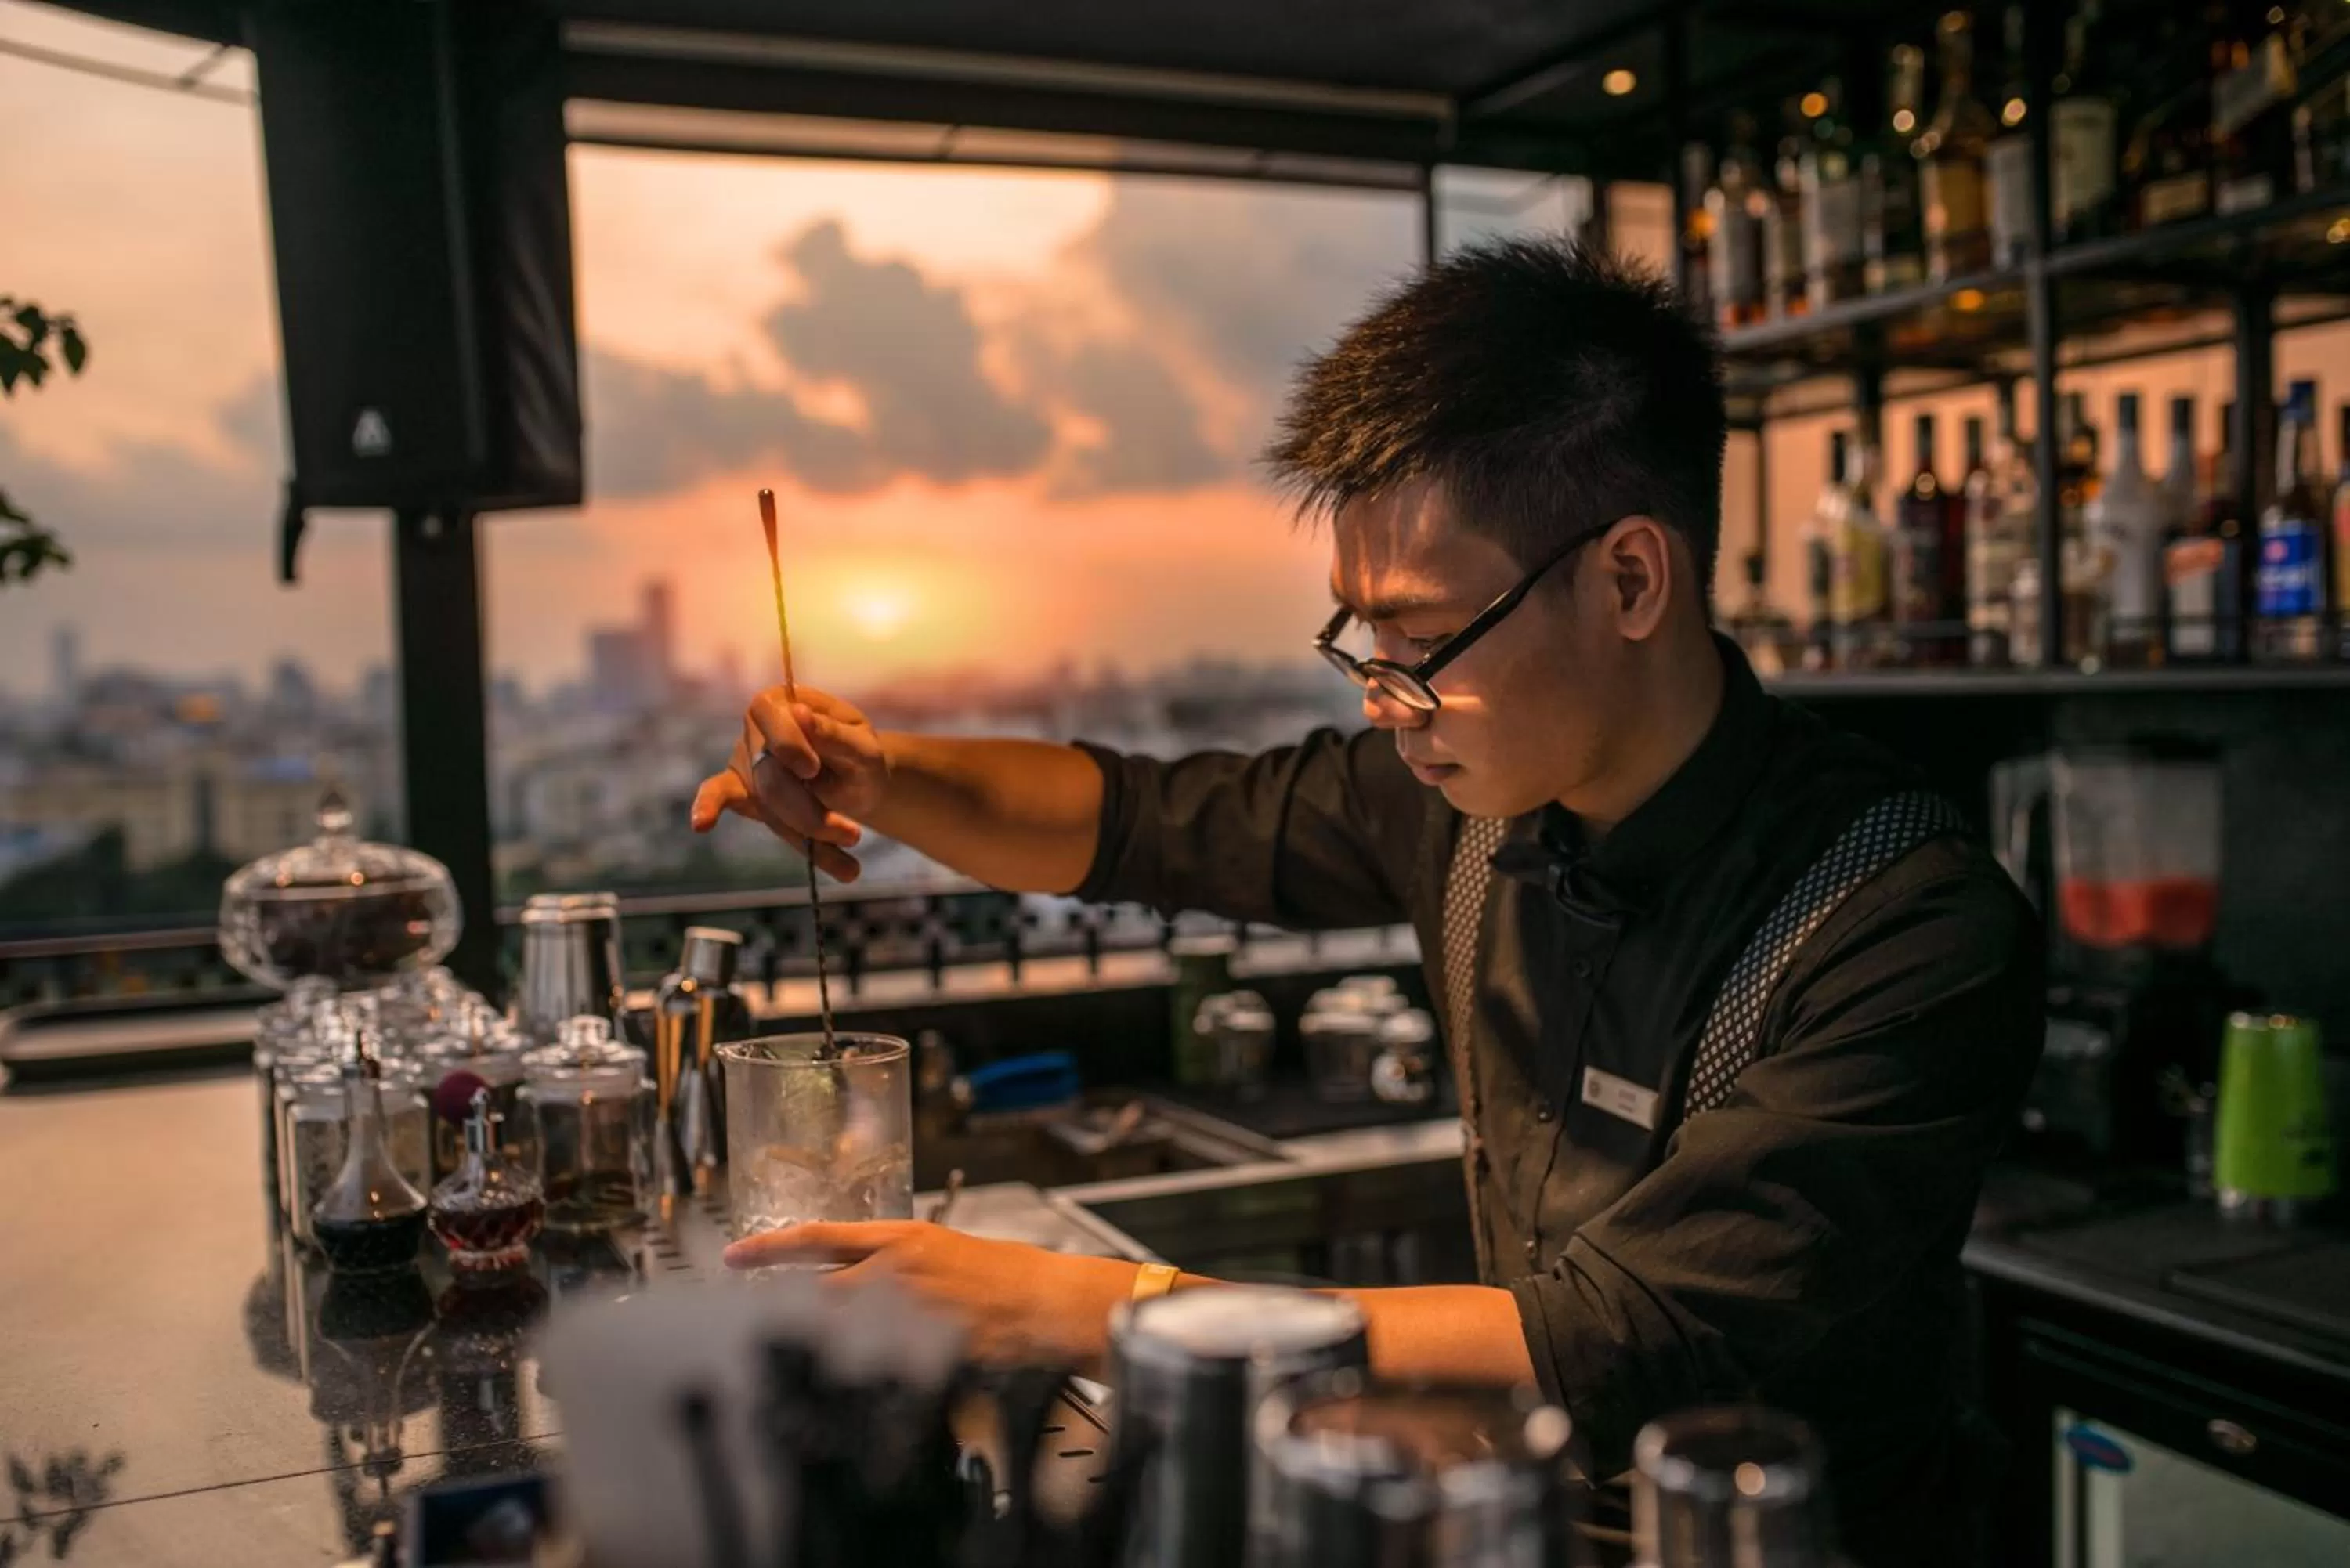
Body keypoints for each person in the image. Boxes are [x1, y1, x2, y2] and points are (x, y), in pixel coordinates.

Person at [692, 239, 2042, 1567]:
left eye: (1420, 640)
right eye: (1359, 639)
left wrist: (1105, 1308)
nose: (1381, 698)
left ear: (1632, 578)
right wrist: (880, 770)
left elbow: (1620, 1339)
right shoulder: (1466, 797)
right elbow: (1146, 823)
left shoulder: (1902, 921)